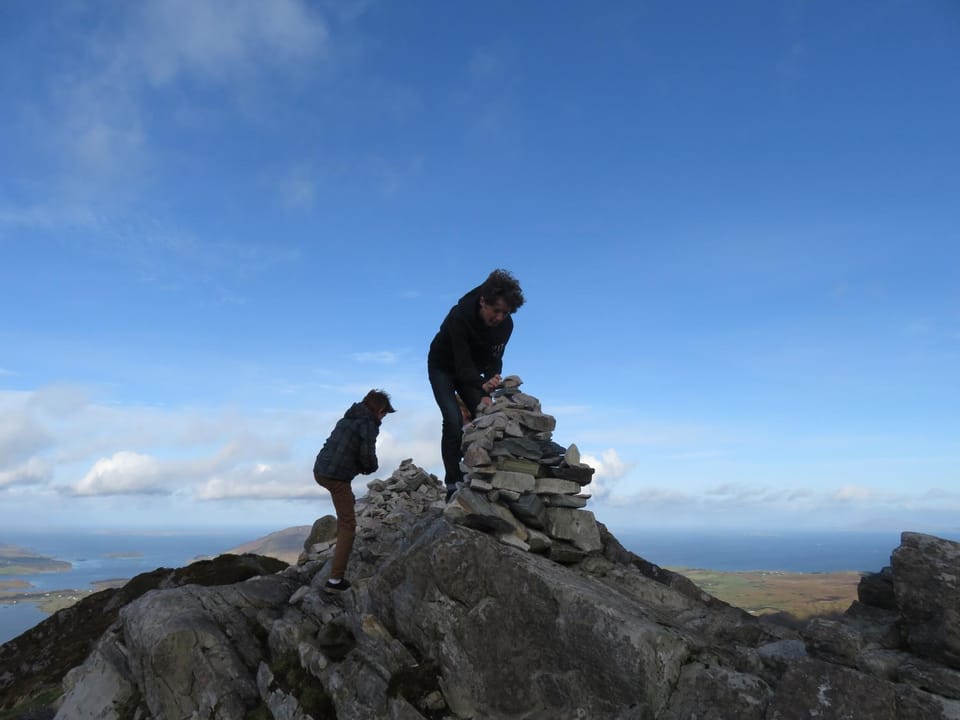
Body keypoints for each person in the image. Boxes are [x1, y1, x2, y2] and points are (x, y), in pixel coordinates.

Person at [428, 268, 525, 501]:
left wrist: (491, 382)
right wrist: (482, 385)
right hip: (443, 367)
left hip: (471, 372)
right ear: (483, 301)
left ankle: (484, 478)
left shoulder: (506, 326)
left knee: (485, 417)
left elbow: (495, 358)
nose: (500, 317)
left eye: (506, 312)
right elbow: (461, 362)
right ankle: (453, 484)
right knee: (452, 419)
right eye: (496, 310)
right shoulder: (459, 316)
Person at [313, 389, 395, 593]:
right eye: (384, 414)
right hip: (337, 477)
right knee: (348, 525)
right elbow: (367, 456)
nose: (383, 419)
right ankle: (335, 581)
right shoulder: (369, 424)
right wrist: (371, 468)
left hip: (320, 470)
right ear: (380, 410)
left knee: (346, 498)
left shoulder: (348, 417)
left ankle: (346, 503)